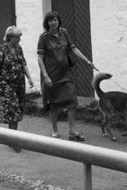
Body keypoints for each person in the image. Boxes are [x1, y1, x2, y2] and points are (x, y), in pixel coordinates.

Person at [37, 11, 96, 140]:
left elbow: (73, 48)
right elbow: (40, 59)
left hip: (66, 74)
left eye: (55, 20)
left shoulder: (64, 33)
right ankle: (54, 130)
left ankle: (72, 130)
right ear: (47, 23)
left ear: (59, 21)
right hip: (51, 76)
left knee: (72, 101)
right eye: (50, 21)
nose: (53, 23)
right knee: (53, 103)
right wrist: (45, 76)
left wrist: (87, 60)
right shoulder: (44, 37)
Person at [0, 26, 36, 152]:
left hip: (19, 84)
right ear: (10, 37)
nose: (19, 40)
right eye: (17, 37)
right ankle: (14, 141)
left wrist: (30, 78)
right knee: (13, 110)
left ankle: (11, 138)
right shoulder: (1, 50)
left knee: (15, 111)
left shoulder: (18, 48)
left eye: (19, 37)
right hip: (6, 86)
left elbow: (23, 64)